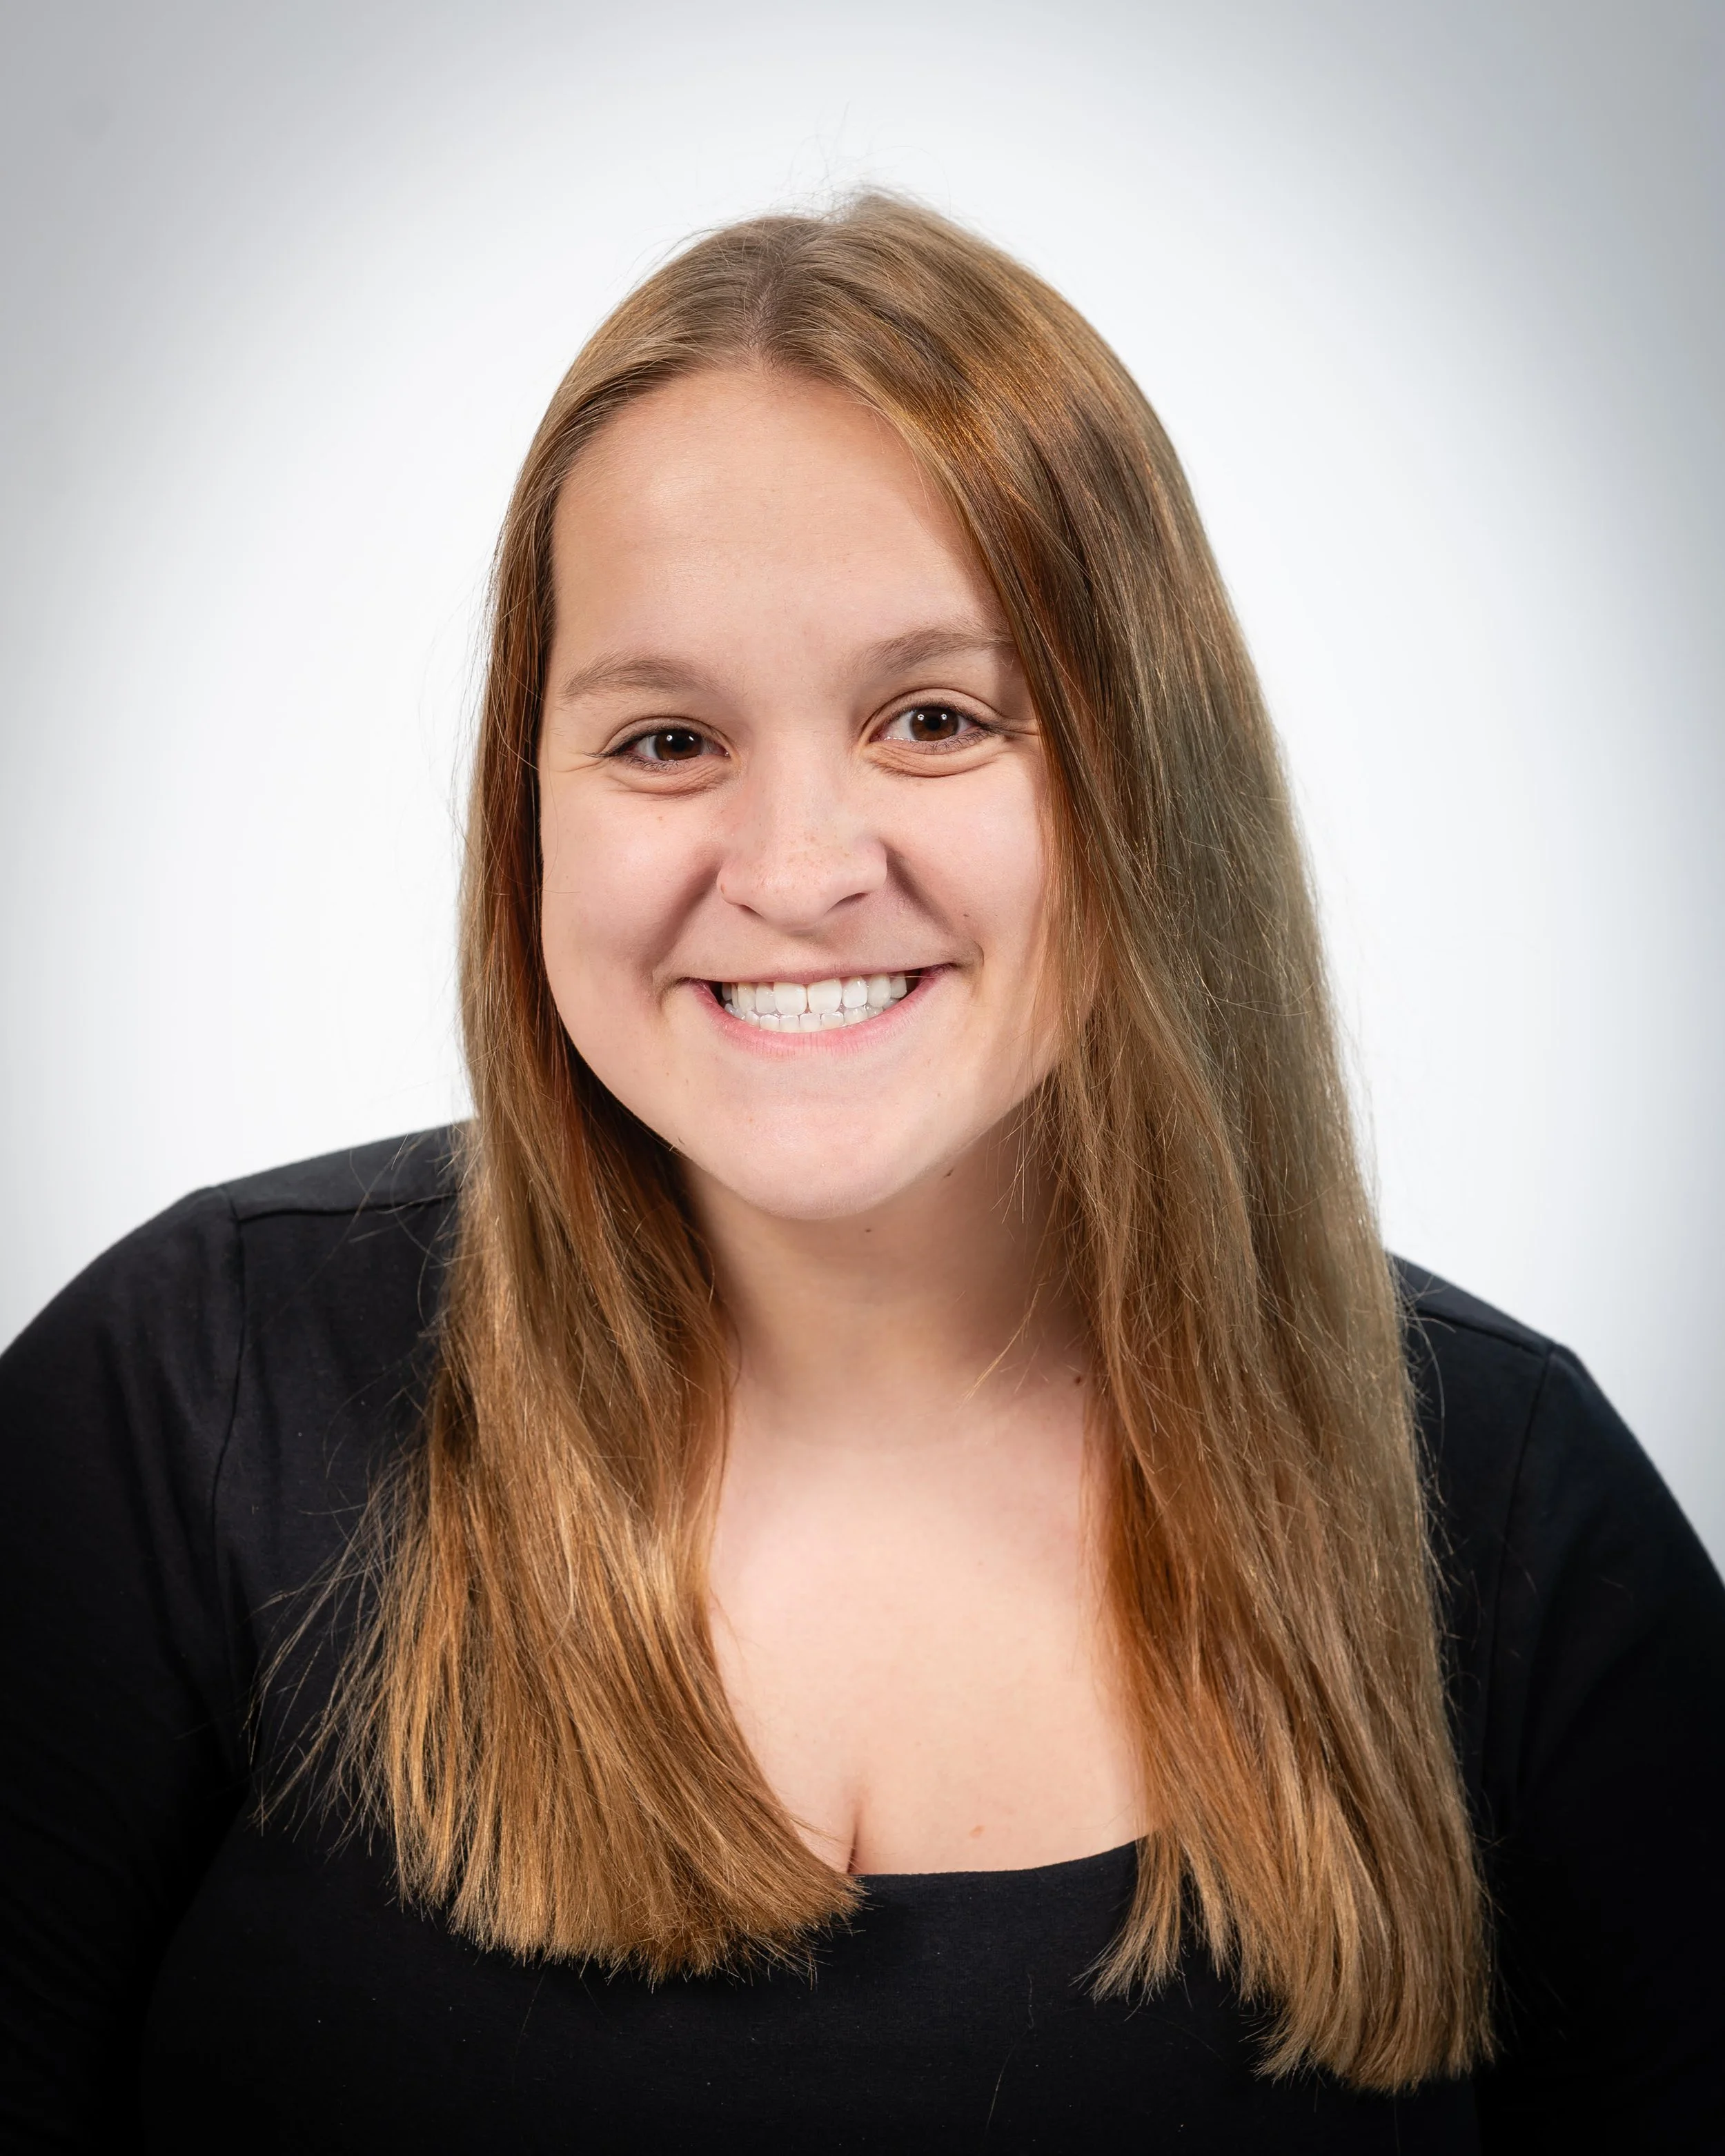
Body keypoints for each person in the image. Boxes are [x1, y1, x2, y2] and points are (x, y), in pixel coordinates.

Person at [1, 195, 1721, 2155]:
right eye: (664, 737)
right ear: (527, 812)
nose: (799, 865)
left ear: (1141, 779)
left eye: (933, 719)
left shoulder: (1504, 1504)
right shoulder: (172, 1401)